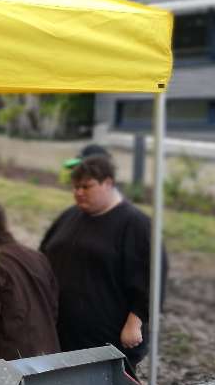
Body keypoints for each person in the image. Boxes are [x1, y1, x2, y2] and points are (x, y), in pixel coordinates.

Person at [40, 150, 168, 372]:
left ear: (108, 183)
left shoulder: (135, 224)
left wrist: (135, 323)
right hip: (62, 331)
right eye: (75, 187)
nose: (78, 192)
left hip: (107, 338)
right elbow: (44, 253)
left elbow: (152, 278)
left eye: (86, 187)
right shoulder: (70, 216)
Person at [0, 202, 60, 363]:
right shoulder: (37, 256)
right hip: (51, 354)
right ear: (4, 225)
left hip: (14, 360)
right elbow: (54, 306)